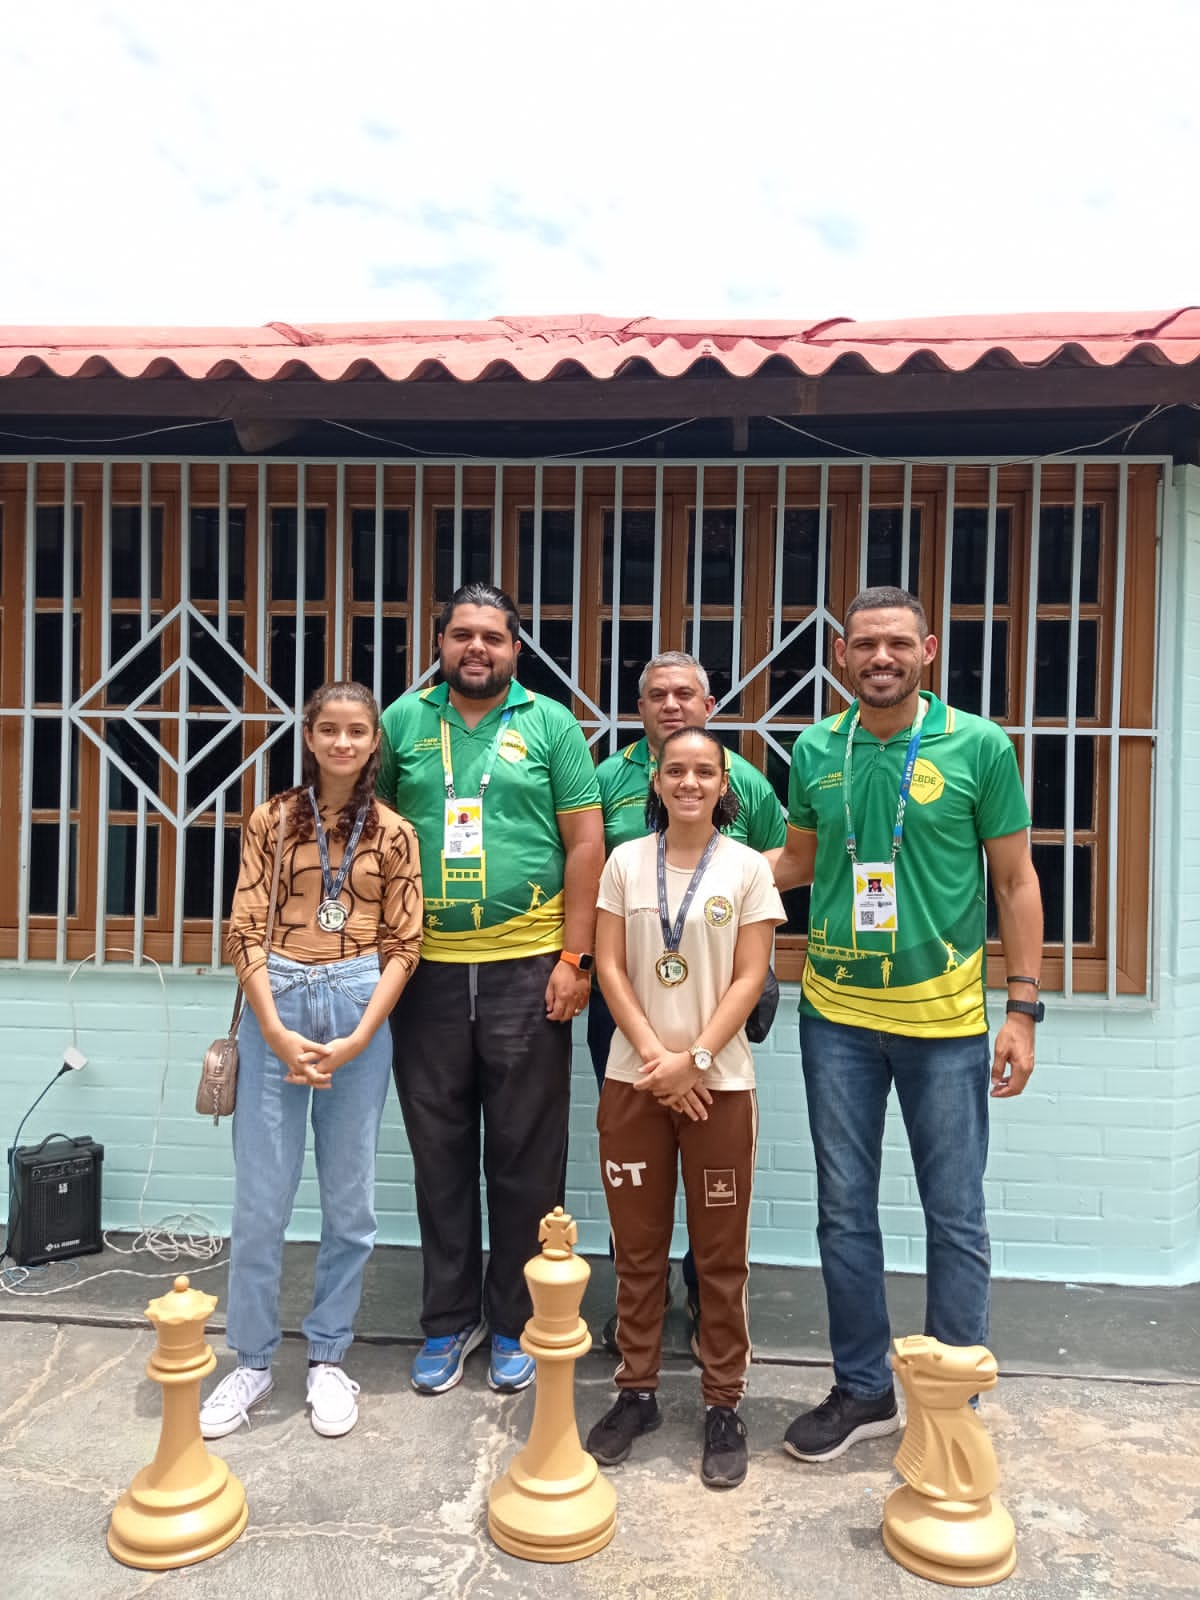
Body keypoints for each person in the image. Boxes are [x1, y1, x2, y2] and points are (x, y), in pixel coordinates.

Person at [773, 586, 1044, 1462]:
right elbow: (798, 864)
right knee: (843, 1213)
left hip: (947, 1022)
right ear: (842, 656)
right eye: (863, 645)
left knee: (955, 1213)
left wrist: (1025, 1009)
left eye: (896, 644)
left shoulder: (979, 747)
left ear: (928, 650)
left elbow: (1015, 885)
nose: (879, 658)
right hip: (837, 1020)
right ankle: (864, 1389)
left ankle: (952, 1393)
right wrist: (687, 876)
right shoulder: (818, 745)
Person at [378, 583, 604, 1396]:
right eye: (462, 635)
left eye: (494, 638)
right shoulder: (403, 724)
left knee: (524, 1156)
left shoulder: (550, 725)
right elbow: (371, 840)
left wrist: (574, 960)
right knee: (437, 1151)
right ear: (439, 642)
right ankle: (448, 1321)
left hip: (527, 967)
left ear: (517, 648)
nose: (478, 649)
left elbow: (586, 845)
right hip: (425, 970)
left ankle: (514, 1319)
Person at [200, 682, 423, 1441]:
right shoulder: (270, 821)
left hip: (359, 1004)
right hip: (280, 1001)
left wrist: (360, 1036)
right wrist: (274, 1028)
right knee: (262, 1201)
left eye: (357, 730)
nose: (342, 742)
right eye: (329, 728)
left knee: (350, 1201)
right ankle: (254, 1361)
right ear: (309, 735)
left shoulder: (394, 832)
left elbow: (404, 944)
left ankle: (329, 1355)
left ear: (373, 741)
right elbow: (245, 929)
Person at [585, 726, 786, 1489]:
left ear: (722, 781)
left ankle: (723, 1402)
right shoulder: (624, 863)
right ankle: (636, 1391)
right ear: (658, 781)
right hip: (634, 1083)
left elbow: (749, 977)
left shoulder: (745, 871)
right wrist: (654, 1059)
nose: (690, 783)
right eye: (677, 770)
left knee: (718, 1256)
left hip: (719, 1087)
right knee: (638, 1254)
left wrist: (695, 1059)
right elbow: (607, 964)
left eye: (705, 771)